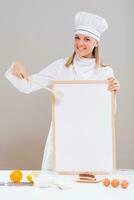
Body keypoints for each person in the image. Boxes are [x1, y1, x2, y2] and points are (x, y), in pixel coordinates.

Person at [5, 11, 120, 171]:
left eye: (87, 39)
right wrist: (16, 66)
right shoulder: (61, 67)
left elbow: (107, 116)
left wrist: (113, 94)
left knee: (87, 187)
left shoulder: (105, 72)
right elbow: (28, 86)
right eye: (77, 37)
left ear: (96, 43)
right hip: (61, 137)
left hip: (90, 138)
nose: (80, 43)